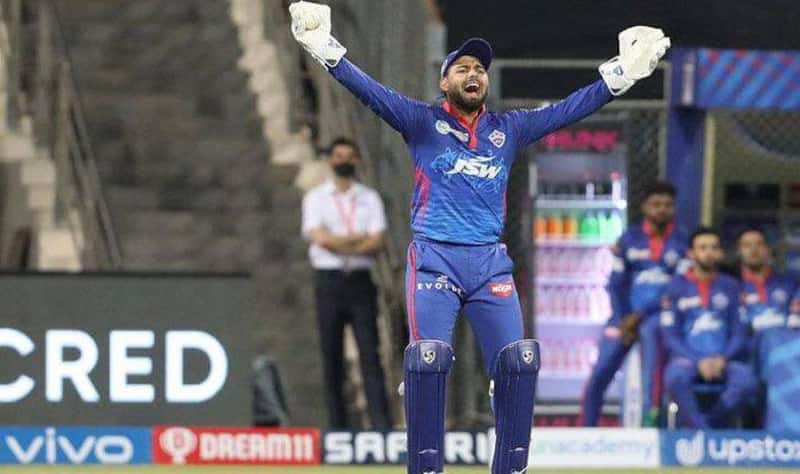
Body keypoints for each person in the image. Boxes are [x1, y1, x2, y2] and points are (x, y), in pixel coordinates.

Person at [289, 3, 669, 473]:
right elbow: (371, 92)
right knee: (428, 361)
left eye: (480, 70)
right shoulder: (421, 121)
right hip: (434, 260)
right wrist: (325, 49)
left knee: (520, 362)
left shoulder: (508, 129)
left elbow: (567, 110)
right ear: (444, 83)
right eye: (463, 68)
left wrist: (621, 76)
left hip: (489, 265)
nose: (474, 74)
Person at [301, 137, 393, 430]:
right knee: (332, 355)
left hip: (360, 281)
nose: (343, 161)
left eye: (349, 156)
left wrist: (340, 242)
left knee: (370, 353)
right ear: (330, 160)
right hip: (329, 280)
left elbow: (377, 241)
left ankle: (381, 426)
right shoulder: (316, 198)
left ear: (357, 160)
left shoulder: (369, 198)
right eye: (338, 155)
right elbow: (320, 238)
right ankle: (337, 428)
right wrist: (356, 241)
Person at [581, 181, 687, 427]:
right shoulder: (629, 239)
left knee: (652, 372)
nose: (662, 209)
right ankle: (586, 427)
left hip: (657, 319)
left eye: (667, 205)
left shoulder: (682, 243)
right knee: (600, 373)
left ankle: (651, 428)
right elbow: (615, 283)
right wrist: (623, 318)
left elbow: (676, 289)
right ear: (645, 207)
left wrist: (639, 316)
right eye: (656, 204)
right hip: (623, 318)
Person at [660, 227, 759, 429]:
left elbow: (739, 332)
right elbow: (670, 335)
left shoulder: (732, 286)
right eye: (703, 247)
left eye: (714, 248)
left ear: (720, 253)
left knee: (747, 381)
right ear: (691, 253)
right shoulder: (674, 287)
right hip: (687, 359)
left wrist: (722, 358)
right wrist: (698, 361)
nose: (709, 252)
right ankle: (703, 431)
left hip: (724, 359)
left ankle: (708, 426)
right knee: (674, 378)